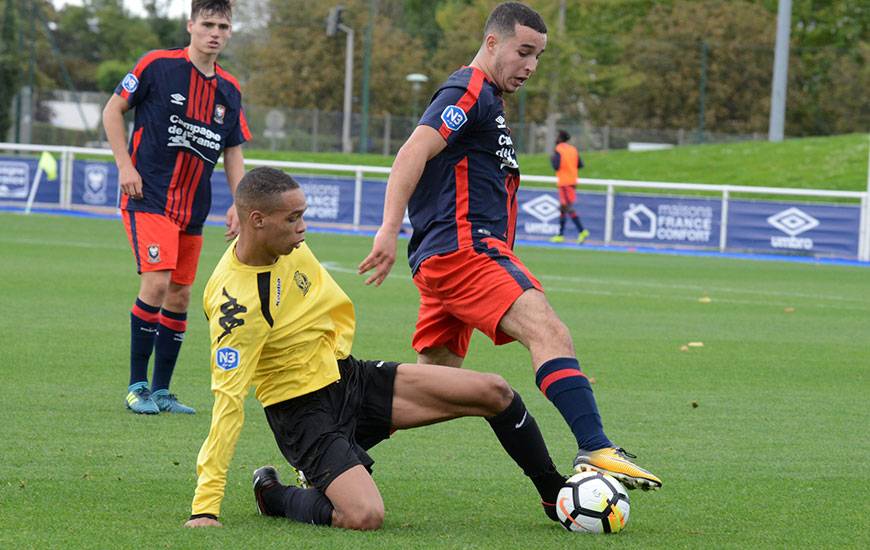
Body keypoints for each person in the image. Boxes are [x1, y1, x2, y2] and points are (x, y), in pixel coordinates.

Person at [358, 2, 661, 490]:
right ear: (492, 43)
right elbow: (413, 149)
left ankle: (333, 449)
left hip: (445, 255)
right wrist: (387, 228)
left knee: (434, 384)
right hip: (465, 251)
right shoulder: (468, 89)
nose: (531, 67)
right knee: (548, 330)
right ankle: (595, 446)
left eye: (538, 56)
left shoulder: (489, 101)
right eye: (524, 52)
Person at [184, 167, 567, 530]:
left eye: (303, 215)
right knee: (364, 515)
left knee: (494, 391)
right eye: (292, 219)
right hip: (302, 412)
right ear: (257, 220)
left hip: (350, 378)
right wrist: (206, 504)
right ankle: (275, 496)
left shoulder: (289, 247)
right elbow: (228, 402)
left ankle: (556, 496)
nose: (302, 228)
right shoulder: (234, 304)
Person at [102, 0, 251, 415]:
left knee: (182, 295)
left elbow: (233, 150)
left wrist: (240, 203)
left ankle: (163, 392)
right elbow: (113, 110)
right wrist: (124, 165)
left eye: (222, 25)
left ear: (229, 31)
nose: (215, 32)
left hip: (193, 208)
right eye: (207, 24)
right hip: (147, 197)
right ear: (190, 26)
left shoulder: (230, 89)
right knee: (157, 283)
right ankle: (136, 386)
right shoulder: (157, 65)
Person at [549, 130, 589, 244]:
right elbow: (580, 165)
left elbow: (556, 166)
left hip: (564, 182)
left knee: (568, 207)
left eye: (557, 136)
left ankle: (582, 231)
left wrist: (552, 159)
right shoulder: (573, 149)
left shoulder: (558, 150)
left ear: (560, 139)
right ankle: (560, 235)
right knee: (563, 207)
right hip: (572, 181)